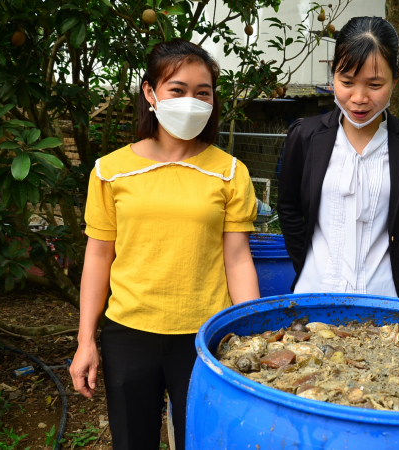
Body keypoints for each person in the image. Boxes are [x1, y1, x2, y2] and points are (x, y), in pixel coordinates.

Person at [69, 39, 259, 449]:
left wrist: (248, 336)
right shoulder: (110, 172)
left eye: (202, 92)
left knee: (205, 440)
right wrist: (86, 340)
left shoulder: (230, 172)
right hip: (129, 333)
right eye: (178, 89)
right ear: (150, 93)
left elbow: (238, 257)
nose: (191, 100)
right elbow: (99, 256)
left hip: (207, 336)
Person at [278, 16, 399, 302]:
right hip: (315, 294)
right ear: (333, 75)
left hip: (386, 298)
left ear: (396, 77)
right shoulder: (305, 136)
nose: (359, 98)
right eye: (347, 82)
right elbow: (289, 210)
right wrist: (307, 266)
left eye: (374, 84)